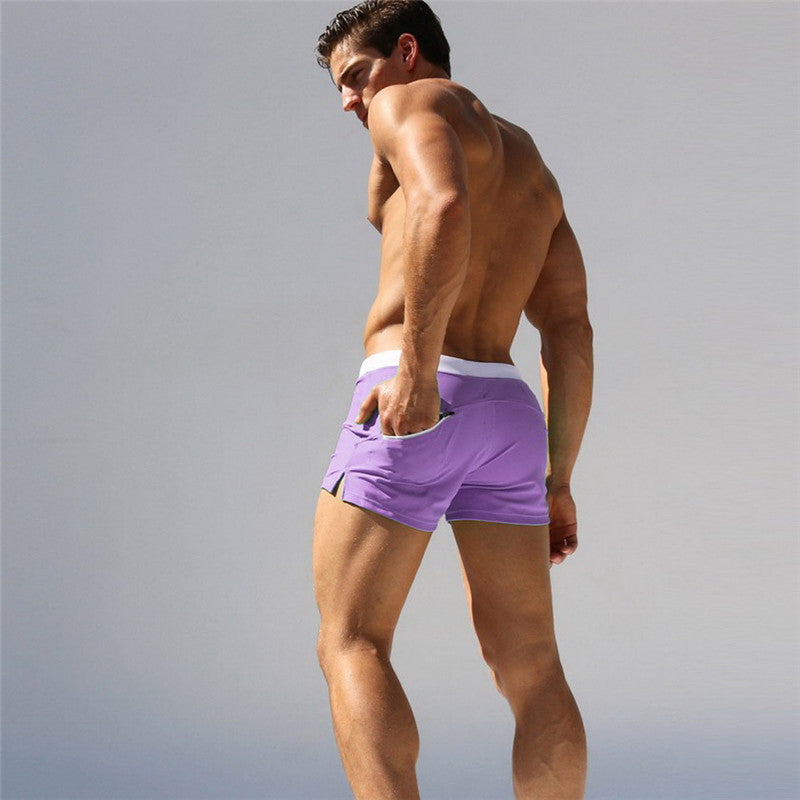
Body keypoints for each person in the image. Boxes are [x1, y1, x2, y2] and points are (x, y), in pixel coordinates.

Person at [312, 2, 593, 797]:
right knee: (531, 664)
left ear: (408, 50)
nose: (350, 101)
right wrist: (560, 478)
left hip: (418, 392)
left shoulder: (408, 102)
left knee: (351, 640)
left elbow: (443, 205)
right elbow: (569, 328)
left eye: (356, 76)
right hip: (508, 414)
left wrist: (418, 373)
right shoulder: (530, 164)